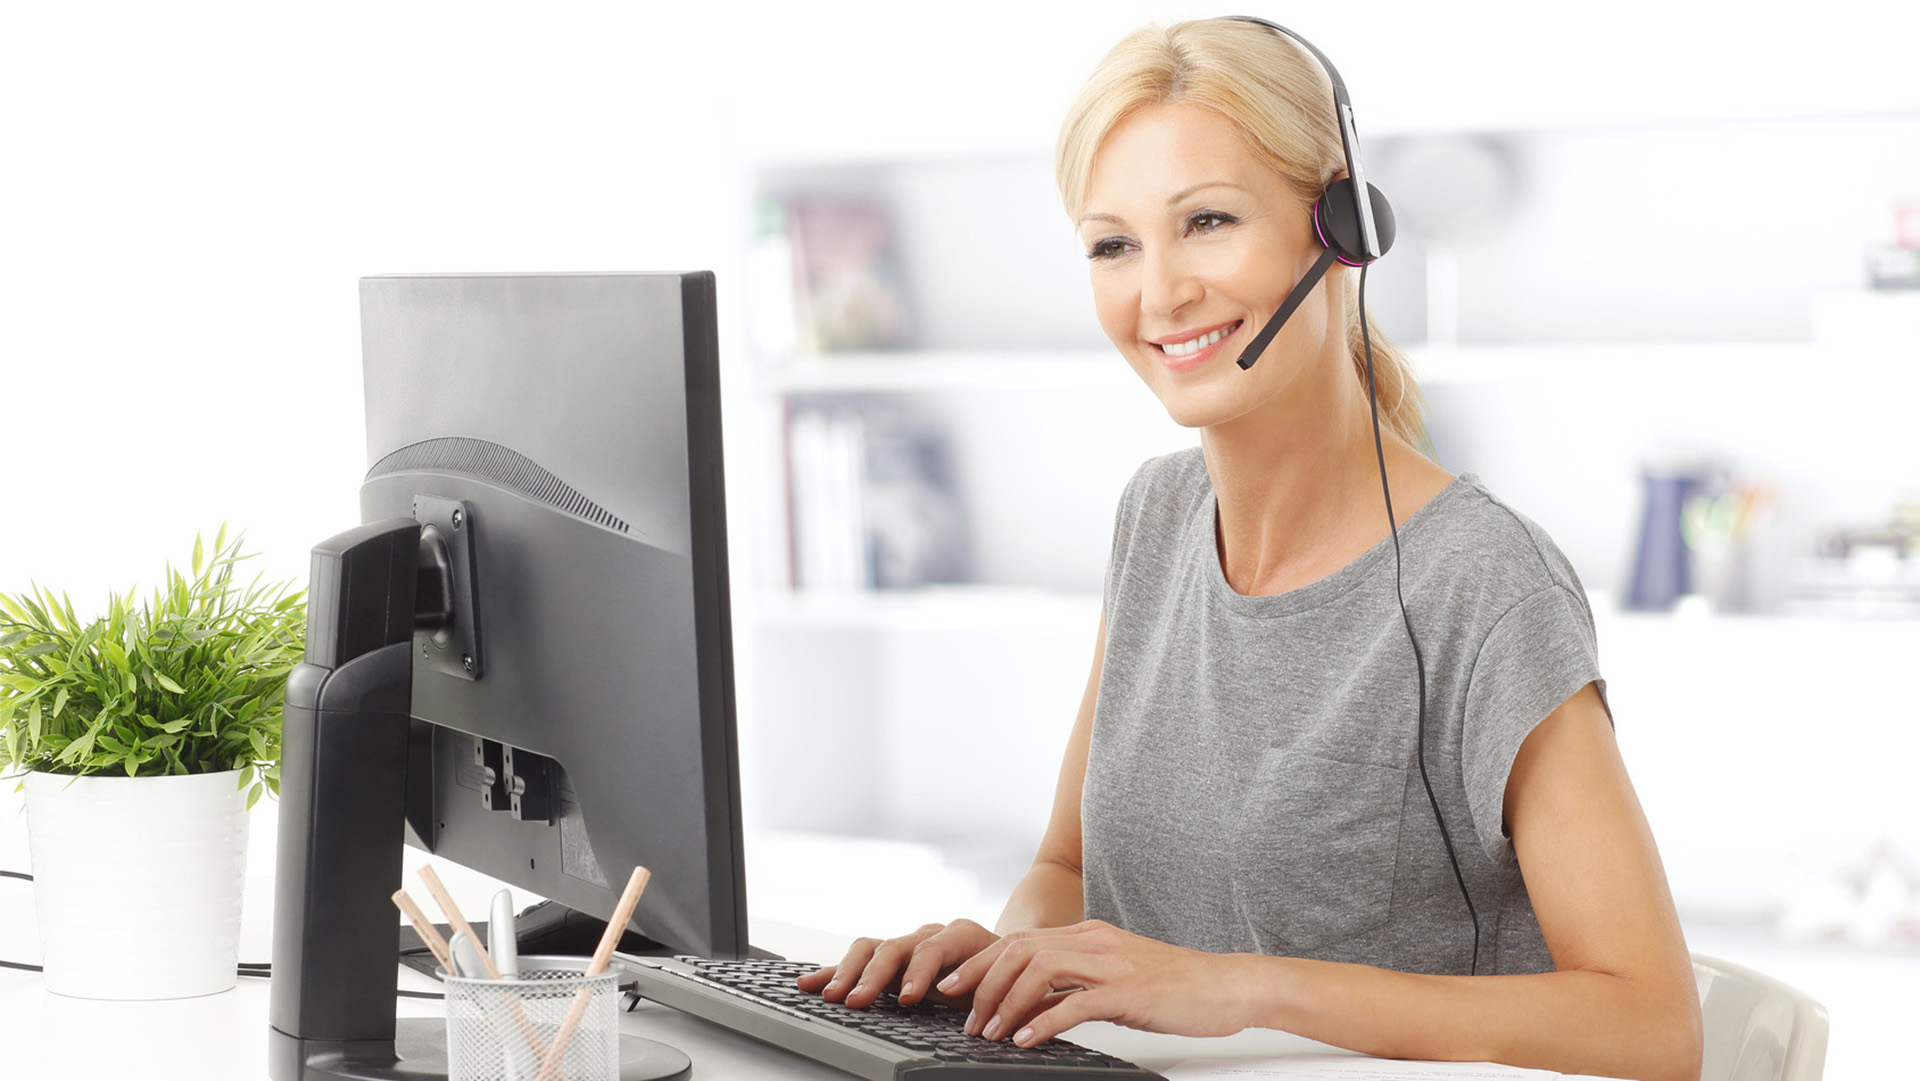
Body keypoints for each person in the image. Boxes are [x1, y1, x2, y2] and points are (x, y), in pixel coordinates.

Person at [796, 18, 1703, 1081]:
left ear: (1341, 227)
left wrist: (1240, 985)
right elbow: (1067, 866)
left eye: (1208, 221)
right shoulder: (1158, 518)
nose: (1160, 292)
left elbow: (1652, 1029)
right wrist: (1003, 963)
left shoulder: (1484, 581)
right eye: (1113, 244)